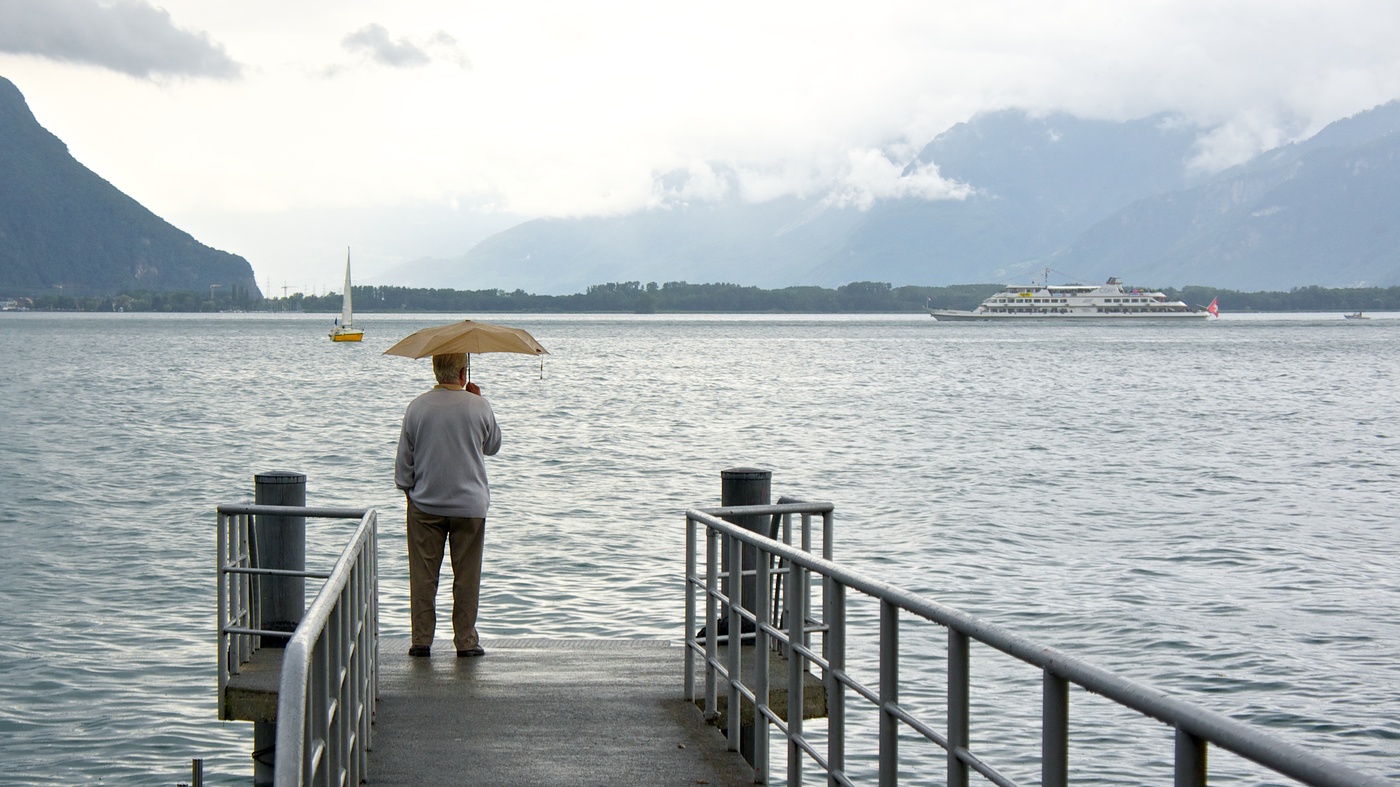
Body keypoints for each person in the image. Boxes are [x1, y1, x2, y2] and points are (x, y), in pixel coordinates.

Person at [395, 352, 502, 658]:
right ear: (463, 372)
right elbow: (493, 445)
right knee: (467, 577)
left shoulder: (417, 407)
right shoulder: (478, 405)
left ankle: (421, 640)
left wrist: (411, 494)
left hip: (426, 504)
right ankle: (465, 640)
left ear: (436, 369)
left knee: (423, 576)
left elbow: (404, 465)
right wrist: (481, 401)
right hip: (470, 507)